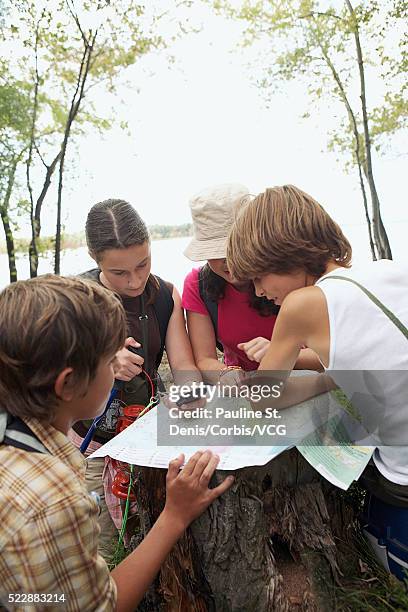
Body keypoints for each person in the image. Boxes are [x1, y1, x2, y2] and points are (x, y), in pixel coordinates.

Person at [0, 275, 233, 612]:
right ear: (68, 384)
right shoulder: (54, 500)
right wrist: (174, 515)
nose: (118, 370)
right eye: (111, 361)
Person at [226, 183, 408, 580]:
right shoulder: (392, 269)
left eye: (259, 277)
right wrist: (333, 377)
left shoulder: (302, 305)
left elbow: (263, 400)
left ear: (285, 255)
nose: (259, 292)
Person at [70, 198, 204, 561]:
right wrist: (102, 365)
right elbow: (46, 377)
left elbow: (183, 364)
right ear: (95, 259)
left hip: (145, 438)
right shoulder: (74, 300)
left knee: (146, 534)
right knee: (97, 548)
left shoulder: (164, 296)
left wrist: (190, 396)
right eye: (119, 273)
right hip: (88, 443)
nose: (135, 280)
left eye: (143, 264)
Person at [182, 183, 321, 386]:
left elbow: (332, 352)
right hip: (247, 391)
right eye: (215, 252)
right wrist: (225, 374)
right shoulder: (198, 285)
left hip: (307, 383)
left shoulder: (290, 275)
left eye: (233, 248)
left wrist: (280, 355)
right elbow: (204, 360)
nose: (227, 261)